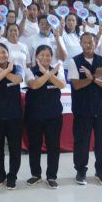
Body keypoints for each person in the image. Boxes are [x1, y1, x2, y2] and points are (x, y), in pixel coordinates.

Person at [67, 32, 102, 185]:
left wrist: (91, 78)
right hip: (82, 108)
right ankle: (81, 171)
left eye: (91, 42)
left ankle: (101, 171)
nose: (88, 45)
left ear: (95, 43)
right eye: (85, 42)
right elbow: (77, 85)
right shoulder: (74, 61)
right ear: (80, 44)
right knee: (81, 141)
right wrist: (95, 77)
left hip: (101, 108)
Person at [24, 44, 65, 189]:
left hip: (53, 115)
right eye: (42, 55)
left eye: (48, 55)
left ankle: (51, 176)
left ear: (51, 57)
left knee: (53, 146)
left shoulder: (58, 70)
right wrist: (48, 74)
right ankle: (35, 174)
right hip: (34, 115)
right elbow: (34, 85)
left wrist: (49, 73)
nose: (45, 58)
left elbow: (61, 85)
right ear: (36, 57)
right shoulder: (30, 70)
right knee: (34, 145)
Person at [0, 42, 24, 189]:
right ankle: (0, 175)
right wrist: (6, 71)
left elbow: (17, 79)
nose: (1, 55)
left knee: (15, 149)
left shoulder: (17, 68)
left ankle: (12, 176)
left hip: (14, 116)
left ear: (8, 53)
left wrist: (5, 71)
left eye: (4, 52)